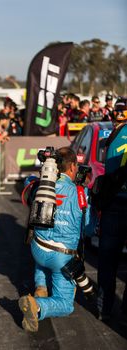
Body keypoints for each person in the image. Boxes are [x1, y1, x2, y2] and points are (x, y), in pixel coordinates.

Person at [18, 147, 93, 332]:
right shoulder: (80, 192)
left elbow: (27, 191)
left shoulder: (40, 185)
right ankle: (36, 305)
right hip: (62, 257)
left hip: (38, 249)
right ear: (73, 166)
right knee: (66, 305)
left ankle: (41, 286)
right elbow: (89, 228)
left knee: (43, 248)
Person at [96, 96, 127, 324]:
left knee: (107, 260)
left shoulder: (113, 135)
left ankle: (104, 307)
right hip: (117, 203)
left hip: (114, 205)